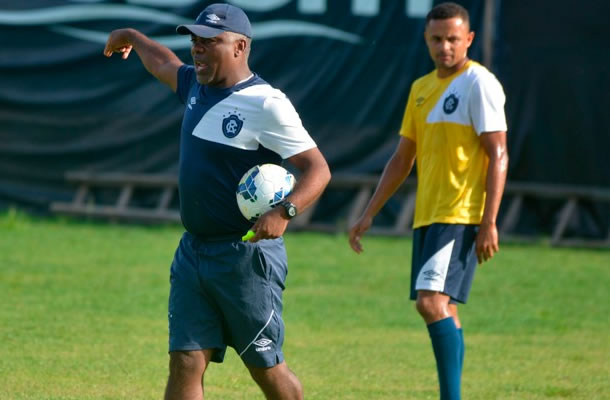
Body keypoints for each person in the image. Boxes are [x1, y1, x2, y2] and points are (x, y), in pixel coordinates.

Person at [104, 4, 330, 400]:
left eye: (210, 41)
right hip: (193, 251)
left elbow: (318, 170)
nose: (198, 49)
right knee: (185, 360)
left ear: (240, 47)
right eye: (195, 40)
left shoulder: (265, 103)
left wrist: (285, 211)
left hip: (245, 257)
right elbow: (164, 63)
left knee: (266, 368)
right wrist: (133, 37)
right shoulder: (197, 86)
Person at [348, 2, 508, 399]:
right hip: (428, 215)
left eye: (453, 38)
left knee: (430, 302)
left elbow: (498, 153)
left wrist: (489, 221)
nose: (445, 46)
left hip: (460, 212)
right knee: (444, 307)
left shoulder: (478, 83)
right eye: (437, 39)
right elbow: (403, 158)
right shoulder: (421, 88)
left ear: (469, 39)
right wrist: (369, 213)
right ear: (426, 39)